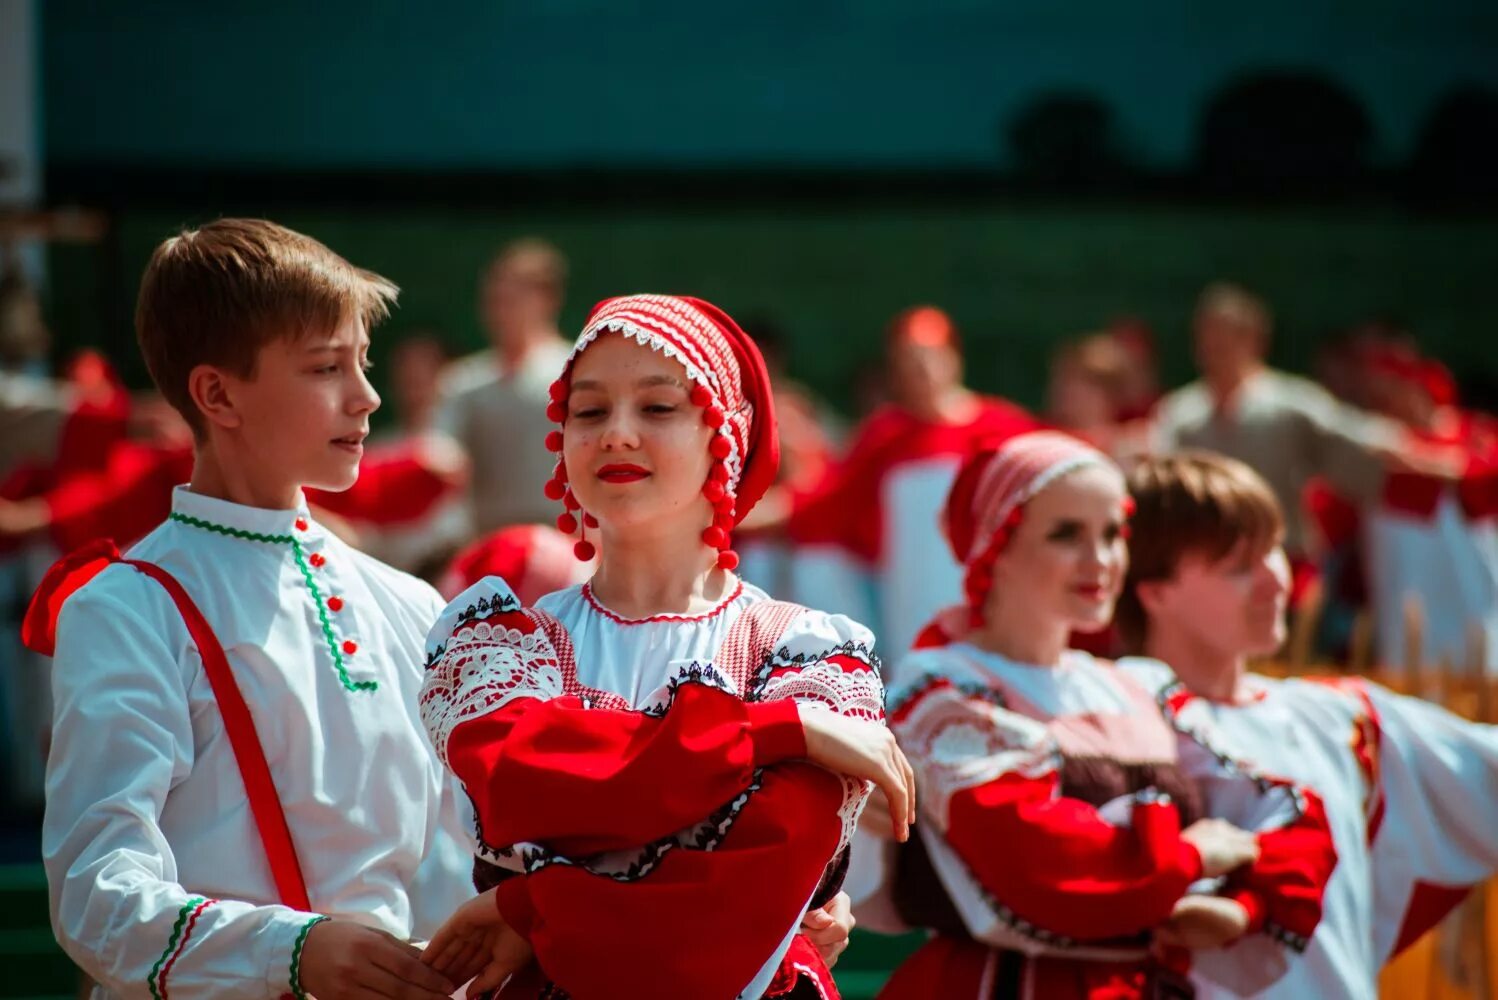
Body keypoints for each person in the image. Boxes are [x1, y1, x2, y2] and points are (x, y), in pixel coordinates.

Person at [416, 293, 915, 999]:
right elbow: (527, 786)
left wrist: (532, 908)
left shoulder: (808, 654)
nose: (617, 433)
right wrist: (776, 730)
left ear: (728, 436)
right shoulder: (504, 637)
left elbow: (739, 898)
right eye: (589, 412)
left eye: (657, 408)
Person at [24, 219, 472, 1000]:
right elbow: (96, 893)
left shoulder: (408, 602)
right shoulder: (127, 606)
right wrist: (288, 951)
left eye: (361, 363)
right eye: (326, 367)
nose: (366, 396)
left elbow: (463, 855)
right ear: (216, 393)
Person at [878, 431, 1336, 1000]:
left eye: (1114, 533)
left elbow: (1282, 812)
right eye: (1066, 534)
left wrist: (1241, 905)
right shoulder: (945, 692)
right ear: (996, 545)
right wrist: (1192, 857)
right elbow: (1036, 858)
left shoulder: (1132, 685)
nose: (1101, 560)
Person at [1117, 450, 1498, 999]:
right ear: (1153, 591)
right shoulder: (1109, 722)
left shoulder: (1344, 720)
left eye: (1274, 549)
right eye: (1239, 566)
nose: (1276, 581)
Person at [782, 305, 1039, 658]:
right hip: (907, 599)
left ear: (953, 358)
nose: (921, 372)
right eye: (907, 363)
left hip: (980, 596)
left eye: (929, 358)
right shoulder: (885, 435)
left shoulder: (1000, 427)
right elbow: (830, 503)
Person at [1153, 282, 1414, 562]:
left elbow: (1359, 439)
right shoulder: (1180, 413)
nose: (1216, 346)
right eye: (1208, 335)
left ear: (1255, 339)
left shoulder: (1291, 404)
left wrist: (1418, 452)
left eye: (1228, 335)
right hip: (1210, 565)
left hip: (1286, 557)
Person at [436, 239, 573, 534]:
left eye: (515, 298)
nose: (502, 310)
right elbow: (440, 454)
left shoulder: (574, 371)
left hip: (566, 540)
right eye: (496, 299)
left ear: (547, 298)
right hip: (490, 542)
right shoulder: (464, 380)